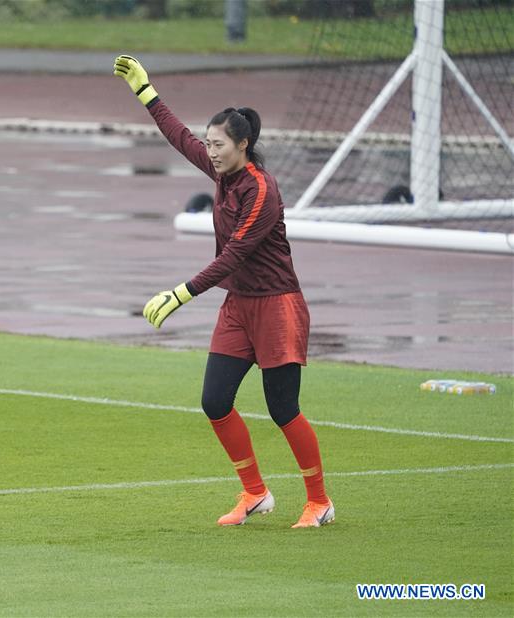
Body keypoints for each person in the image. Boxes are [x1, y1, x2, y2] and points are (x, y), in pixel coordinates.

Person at [113, 55, 334, 528]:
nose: (209, 151)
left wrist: (179, 294)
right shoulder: (222, 173)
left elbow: (235, 254)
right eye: (209, 144)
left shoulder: (262, 190)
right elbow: (179, 137)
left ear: (243, 145)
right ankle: (255, 493)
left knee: (283, 409)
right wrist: (145, 91)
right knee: (215, 400)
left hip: (277, 307)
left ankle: (319, 500)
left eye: (218, 145)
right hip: (239, 307)